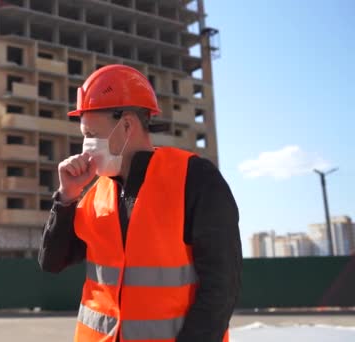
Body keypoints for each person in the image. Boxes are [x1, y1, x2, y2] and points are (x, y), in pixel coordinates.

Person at [38, 65, 242, 342]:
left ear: (126, 125)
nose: (86, 145)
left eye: (91, 134)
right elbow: (51, 262)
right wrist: (66, 196)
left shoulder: (195, 179)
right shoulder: (95, 194)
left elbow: (220, 288)